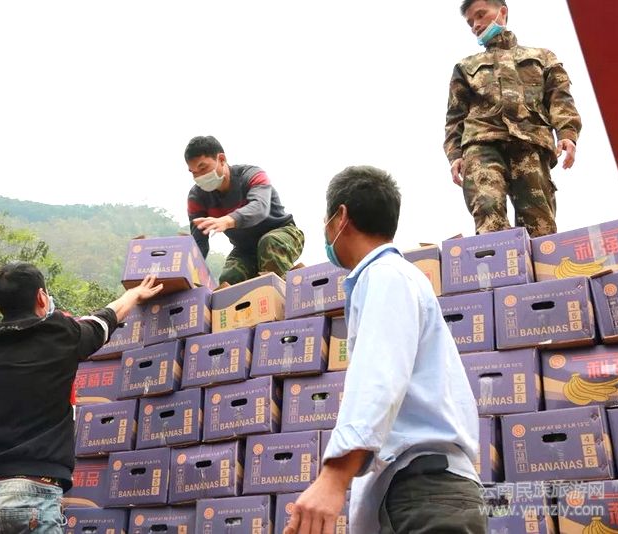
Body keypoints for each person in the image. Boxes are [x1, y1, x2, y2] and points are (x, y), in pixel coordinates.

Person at [284, 166, 484, 534]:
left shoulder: (386, 275)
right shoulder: (391, 278)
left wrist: (334, 477)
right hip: (419, 491)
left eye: (326, 220)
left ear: (340, 217)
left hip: (424, 491)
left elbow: (380, 376)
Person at [0, 263, 162, 534]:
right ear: (41, 297)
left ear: (0, 305)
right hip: (30, 491)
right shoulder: (60, 334)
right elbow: (103, 321)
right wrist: (134, 294)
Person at [444, 0, 582, 238]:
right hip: (482, 144)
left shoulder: (542, 58)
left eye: (480, 15)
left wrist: (567, 134)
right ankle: (498, 261)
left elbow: (560, 99)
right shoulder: (465, 67)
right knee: (489, 213)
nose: (476, 25)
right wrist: (455, 155)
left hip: (530, 143)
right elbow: (455, 117)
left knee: (540, 226)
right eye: (470, 22)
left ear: (502, 12)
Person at [185, 135, 305, 285]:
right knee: (229, 279)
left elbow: (260, 207)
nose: (199, 176)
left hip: (283, 234)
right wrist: (189, 273)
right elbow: (199, 243)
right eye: (194, 172)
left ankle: (291, 293)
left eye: (203, 168)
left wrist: (228, 220)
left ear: (221, 159)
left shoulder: (252, 175)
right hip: (245, 249)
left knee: (269, 244)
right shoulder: (196, 197)